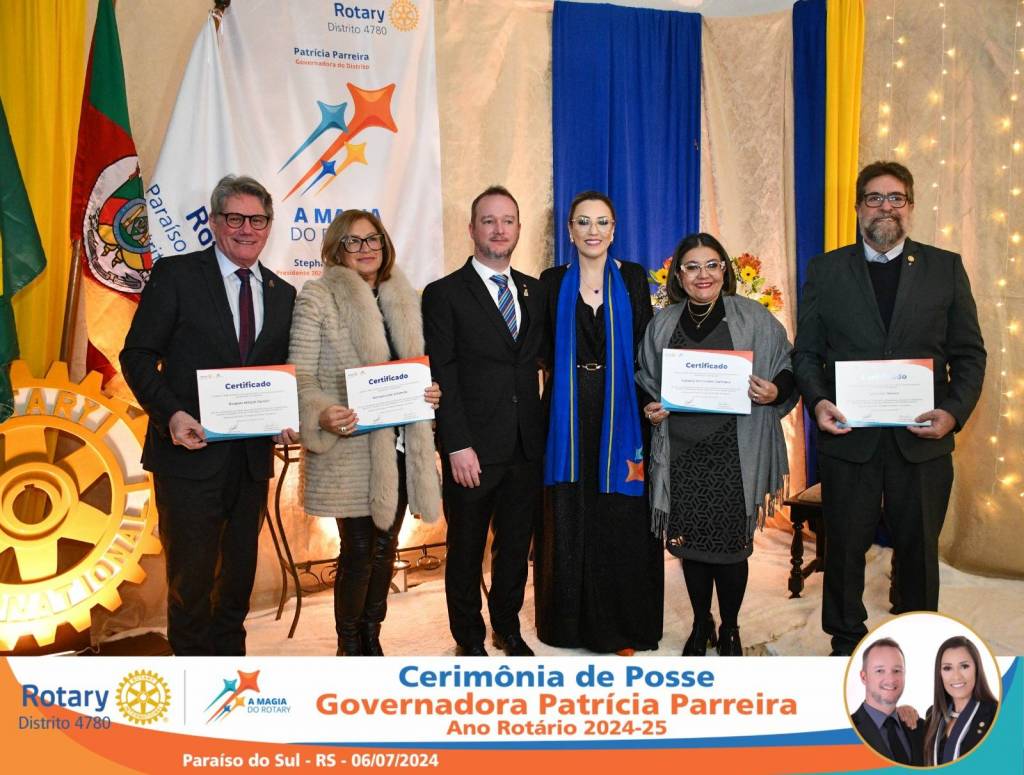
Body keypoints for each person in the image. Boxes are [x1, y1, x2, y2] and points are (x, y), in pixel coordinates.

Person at [792, 161, 986, 656]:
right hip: (848, 437)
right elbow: (807, 353)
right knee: (843, 548)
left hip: (922, 440)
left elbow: (969, 355)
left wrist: (952, 413)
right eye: (874, 198)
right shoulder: (826, 270)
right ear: (858, 207)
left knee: (919, 549)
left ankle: (916, 638)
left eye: (896, 198)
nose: (886, 207)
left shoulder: (945, 268)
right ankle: (845, 641)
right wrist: (818, 402)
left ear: (910, 207)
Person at [120, 175, 297, 655]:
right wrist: (172, 415)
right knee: (191, 583)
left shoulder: (282, 293)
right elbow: (137, 356)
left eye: (257, 219)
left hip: (250, 464)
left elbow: (281, 373)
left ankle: (230, 678)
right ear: (215, 222)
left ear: (269, 226)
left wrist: (286, 415)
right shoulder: (177, 275)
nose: (247, 229)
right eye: (235, 218)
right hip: (188, 459)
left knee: (237, 582)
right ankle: (193, 683)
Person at [288, 210, 442, 656]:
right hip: (351, 446)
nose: (365, 248)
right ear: (337, 250)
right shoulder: (318, 296)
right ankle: (349, 644)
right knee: (358, 548)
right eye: (353, 242)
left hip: (400, 445)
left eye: (373, 239)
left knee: (386, 546)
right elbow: (301, 375)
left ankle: (372, 635)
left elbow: (413, 368)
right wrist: (321, 412)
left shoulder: (406, 296)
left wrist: (430, 391)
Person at [636, 233, 796, 656]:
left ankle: (730, 627)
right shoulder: (663, 323)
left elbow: (787, 365)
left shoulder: (752, 317)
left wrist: (775, 392)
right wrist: (652, 406)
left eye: (711, 265)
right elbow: (646, 377)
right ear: (678, 275)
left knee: (730, 549)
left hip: (733, 453)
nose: (702, 274)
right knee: (691, 546)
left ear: (725, 270)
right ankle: (700, 623)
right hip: (682, 454)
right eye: (692, 267)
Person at [534, 190, 662, 654]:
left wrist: (656, 399)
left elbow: (647, 348)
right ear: (569, 231)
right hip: (566, 413)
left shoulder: (633, 278)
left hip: (623, 410)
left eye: (602, 222)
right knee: (570, 512)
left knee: (619, 516)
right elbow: (538, 349)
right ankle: (567, 625)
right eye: (583, 222)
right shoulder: (551, 282)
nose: (593, 230)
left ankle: (620, 625)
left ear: (614, 230)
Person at [422, 185, 547, 657]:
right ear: (472, 229)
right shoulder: (444, 293)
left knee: (515, 547)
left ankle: (507, 628)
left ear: (518, 229)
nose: (499, 229)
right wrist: (455, 443)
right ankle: (469, 638)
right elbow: (443, 371)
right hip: (472, 448)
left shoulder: (535, 291)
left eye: (508, 220)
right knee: (466, 549)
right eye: (489, 220)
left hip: (526, 446)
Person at [923, 636, 999, 764]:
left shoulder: (996, 714)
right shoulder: (932, 715)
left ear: (977, 669)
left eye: (964, 666)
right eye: (947, 668)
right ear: (939, 673)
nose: (956, 676)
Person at [851, 637, 925, 765]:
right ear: (864, 677)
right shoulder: (845, 731)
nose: (890, 679)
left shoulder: (922, 728)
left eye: (896, 671)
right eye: (880, 671)